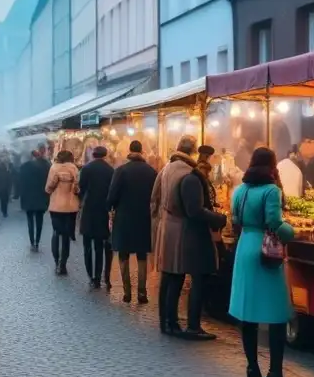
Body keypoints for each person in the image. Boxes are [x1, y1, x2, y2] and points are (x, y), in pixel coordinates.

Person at [229, 147, 296, 377]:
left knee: (248, 315)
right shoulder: (271, 191)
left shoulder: (240, 190)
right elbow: (275, 223)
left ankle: (252, 369)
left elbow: (234, 220)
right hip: (265, 252)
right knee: (277, 314)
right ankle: (275, 373)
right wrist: (292, 232)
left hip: (245, 246)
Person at [155, 137, 227, 340]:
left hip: (168, 227)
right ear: (194, 153)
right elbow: (194, 210)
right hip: (186, 232)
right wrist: (219, 219)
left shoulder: (167, 168)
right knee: (196, 276)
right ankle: (190, 326)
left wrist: (159, 222)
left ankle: (168, 323)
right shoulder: (189, 174)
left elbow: (155, 198)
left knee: (171, 276)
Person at [107, 140, 157, 303]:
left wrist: (111, 207)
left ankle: (127, 293)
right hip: (144, 218)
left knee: (123, 254)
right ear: (141, 151)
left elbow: (112, 196)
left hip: (124, 218)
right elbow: (156, 196)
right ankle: (142, 293)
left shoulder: (121, 171)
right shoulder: (151, 172)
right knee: (142, 254)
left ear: (130, 151)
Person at [79, 146, 114, 290]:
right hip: (103, 211)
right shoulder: (111, 170)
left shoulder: (86, 169)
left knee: (87, 245)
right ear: (105, 155)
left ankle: (91, 275)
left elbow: (81, 188)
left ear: (93, 155)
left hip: (89, 210)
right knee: (99, 246)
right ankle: (99, 277)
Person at [45, 150, 80, 275]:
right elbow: (77, 188)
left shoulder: (54, 168)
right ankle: (63, 264)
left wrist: (51, 191)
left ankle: (56, 262)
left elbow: (49, 187)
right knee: (66, 235)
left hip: (57, 206)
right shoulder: (74, 169)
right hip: (71, 207)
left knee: (56, 232)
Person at [19, 149, 51, 251]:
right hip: (41, 197)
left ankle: (32, 241)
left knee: (30, 221)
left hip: (28, 197)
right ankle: (37, 241)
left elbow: (20, 184)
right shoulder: (46, 166)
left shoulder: (24, 167)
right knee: (39, 220)